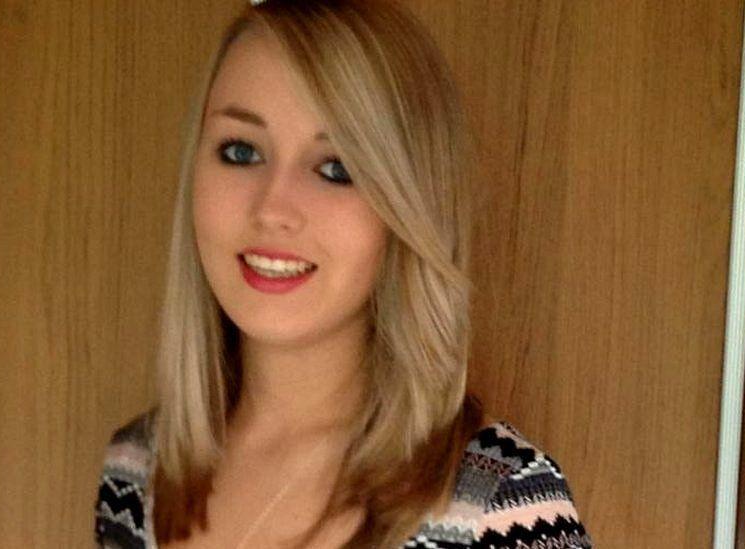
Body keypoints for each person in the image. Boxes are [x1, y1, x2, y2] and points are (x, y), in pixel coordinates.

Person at [93, 1, 593, 547]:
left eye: (336, 169)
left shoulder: (505, 506)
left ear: (407, 205)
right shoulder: (135, 472)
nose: (272, 208)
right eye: (240, 151)